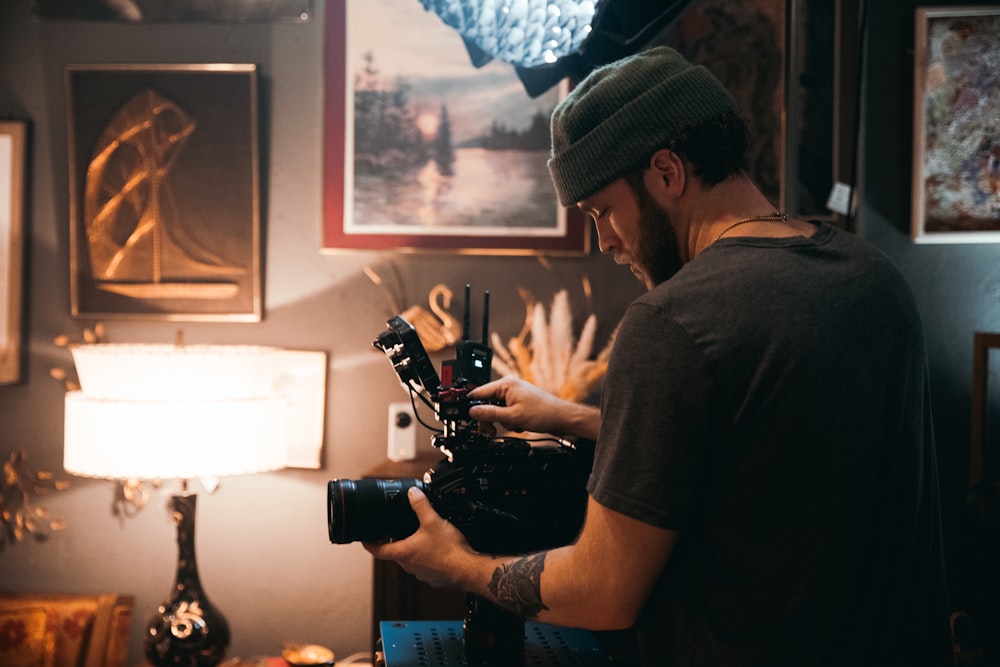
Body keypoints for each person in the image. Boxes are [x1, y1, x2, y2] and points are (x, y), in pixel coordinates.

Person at [366, 46, 951, 666]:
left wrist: (459, 565)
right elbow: (771, 444)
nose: (607, 240)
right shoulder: (870, 278)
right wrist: (578, 417)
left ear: (668, 172)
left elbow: (601, 593)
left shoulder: (673, 321)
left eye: (603, 211)